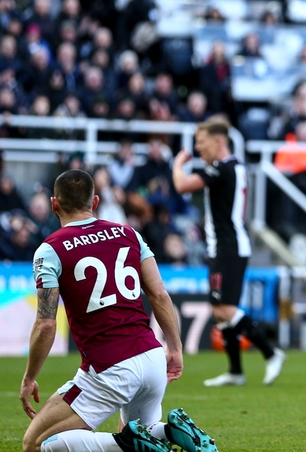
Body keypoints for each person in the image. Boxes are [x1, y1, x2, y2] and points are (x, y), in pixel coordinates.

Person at [20, 169, 217, 452]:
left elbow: (46, 324)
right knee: (144, 435)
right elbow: (159, 294)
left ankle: (127, 442)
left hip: (108, 366)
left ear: (54, 204)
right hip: (151, 358)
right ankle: (170, 431)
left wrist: (29, 377)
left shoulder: (49, 250)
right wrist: (174, 347)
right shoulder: (128, 233)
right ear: (95, 202)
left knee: (35, 444)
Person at [172, 119, 286, 387]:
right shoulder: (230, 168)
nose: (198, 148)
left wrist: (178, 164)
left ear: (218, 142)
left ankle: (271, 353)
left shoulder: (223, 169)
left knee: (224, 307)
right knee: (219, 309)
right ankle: (235, 370)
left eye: (201, 142)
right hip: (223, 246)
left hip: (229, 246)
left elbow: (182, 186)